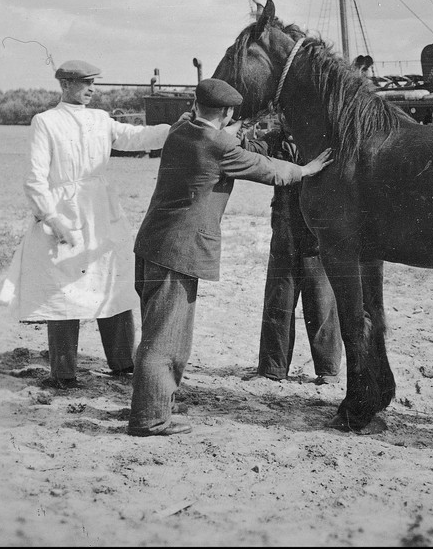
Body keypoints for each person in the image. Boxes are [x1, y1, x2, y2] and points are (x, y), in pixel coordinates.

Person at [127, 78, 332, 437]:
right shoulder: (220, 145)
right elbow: (271, 170)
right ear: (227, 112)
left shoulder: (181, 129)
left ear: (195, 103)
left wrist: (237, 126)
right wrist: (308, 168)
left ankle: (149, 403)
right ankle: (150, 419)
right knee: (167, 340)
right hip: (180, 251)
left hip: (151, 244)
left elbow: (220, 132)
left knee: (153, 332)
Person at [0, 60, 172, 388]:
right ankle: (63, 374)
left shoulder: (100, 119)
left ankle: (123, 364)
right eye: (85, 82)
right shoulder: (45, 122)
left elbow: (137, 137)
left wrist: (176, 129)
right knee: (63, 292)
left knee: (112, 285)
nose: (92, 89)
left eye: (94, 82)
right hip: (63, 214)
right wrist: (52, 218)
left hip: (102, 213)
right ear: (65, 84)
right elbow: (35, 178)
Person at [244, 122, 342, 385]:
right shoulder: (274, 139)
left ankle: (328, 369)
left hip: (317, 231)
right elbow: (250, 149)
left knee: (321, 300)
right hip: (285, 227)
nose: (287, 118)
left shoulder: (324, 137)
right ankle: (272, 369)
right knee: (279, 297)